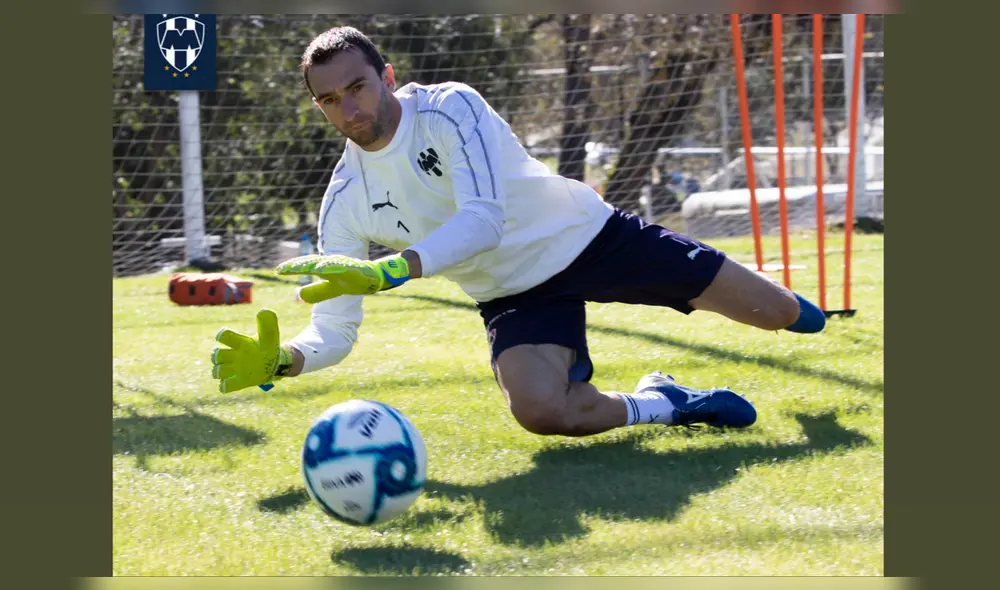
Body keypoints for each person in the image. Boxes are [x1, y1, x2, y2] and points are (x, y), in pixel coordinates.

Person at [211, 26, 827, 437]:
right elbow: (335, 328)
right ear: (317, 107)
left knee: (783, 314)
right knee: (539, 411)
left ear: (387, 76)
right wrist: (287, 358)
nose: (349, 109)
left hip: (590, 237)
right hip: (513, 293)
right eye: (329, 100)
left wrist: (390, 269)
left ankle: (777, 307)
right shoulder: (344, 202)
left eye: (357, 87)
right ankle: (665, 403)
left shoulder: (451, 106)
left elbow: (483, 220)